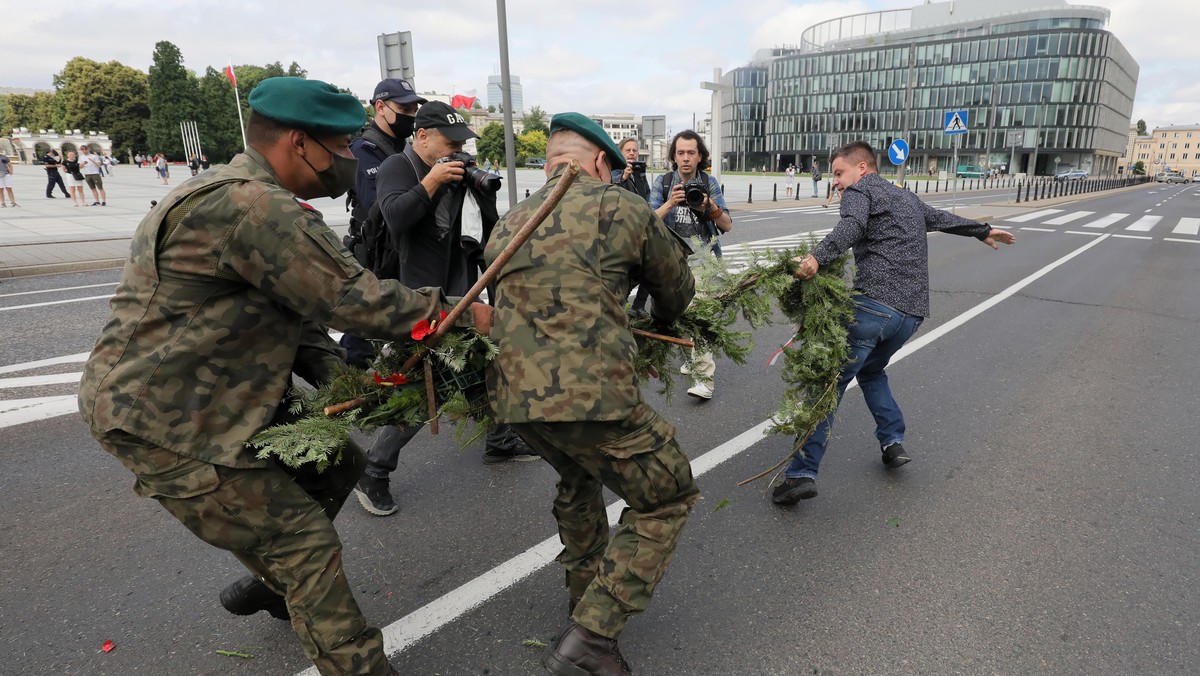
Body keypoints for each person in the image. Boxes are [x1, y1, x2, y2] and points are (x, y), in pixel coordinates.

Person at [77, 76, 492, 676]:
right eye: (344, 147)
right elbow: (353, 299)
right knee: (304, 546)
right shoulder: (250, 206)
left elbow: (292, 316)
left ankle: (273, 587)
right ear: (300, 144)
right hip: (169, 418)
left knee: (341, 464)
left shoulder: (246, 198)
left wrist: (347, 387)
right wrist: (470, 314)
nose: (354, 161)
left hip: (228, 396)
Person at [486, 112, 698, 676]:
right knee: (667, 493)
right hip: (592, 396)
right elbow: (675, 287)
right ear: (602, 162)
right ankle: (593, 635)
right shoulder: (619, 206)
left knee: (580, 478)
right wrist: (661, 318)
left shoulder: (511, 221)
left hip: (513, 400)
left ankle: (582, 603)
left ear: (552, 160)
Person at [772, 141, 1016, 505]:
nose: (836, 182)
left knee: (828, 384)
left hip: (874, 307)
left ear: (862, 169)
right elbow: (940, 218)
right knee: (871, 372)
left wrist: (816, 258)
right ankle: (892, 440)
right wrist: (981, 230)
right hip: (911, 316)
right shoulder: (905, 196)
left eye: (839, 173)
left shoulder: (860, 191)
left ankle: (800, 475)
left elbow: (852, 226)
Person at [349, 100, 534, 517]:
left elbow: (483, 234)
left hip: (462, 289)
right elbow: (396, 218)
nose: (457, 151)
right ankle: (374, 470)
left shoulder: (456, 170)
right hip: (418, 294)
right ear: (423, 138)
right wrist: (432, 180)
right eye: (450, 144)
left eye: (461, 145)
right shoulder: (401, 166)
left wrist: (475, 186)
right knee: (424, 385)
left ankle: (501, 442)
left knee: (492, 363)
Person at [339, 77, 427, 370]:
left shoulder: (405, 148)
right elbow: (380, 204)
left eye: (415, 108)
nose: (411, 115)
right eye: (405, 108)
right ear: (380, 106)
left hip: (399, 249)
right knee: (362, 328)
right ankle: (350, 390)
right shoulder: (365, 149)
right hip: (373, 252)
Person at [648, 129, 733, 400]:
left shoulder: (709, 183)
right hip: (672, 262)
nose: (686, 158)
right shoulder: (662, 183)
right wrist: (670, 203)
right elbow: (644, 223)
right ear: (674, 155)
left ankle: (704, 379)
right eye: (681, 152)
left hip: (704, 262)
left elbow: (727, 224)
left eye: (691, 153)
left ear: (700, 157)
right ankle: (690, 356)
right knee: (677, 314)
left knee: (698, 315)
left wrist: (708, 207)